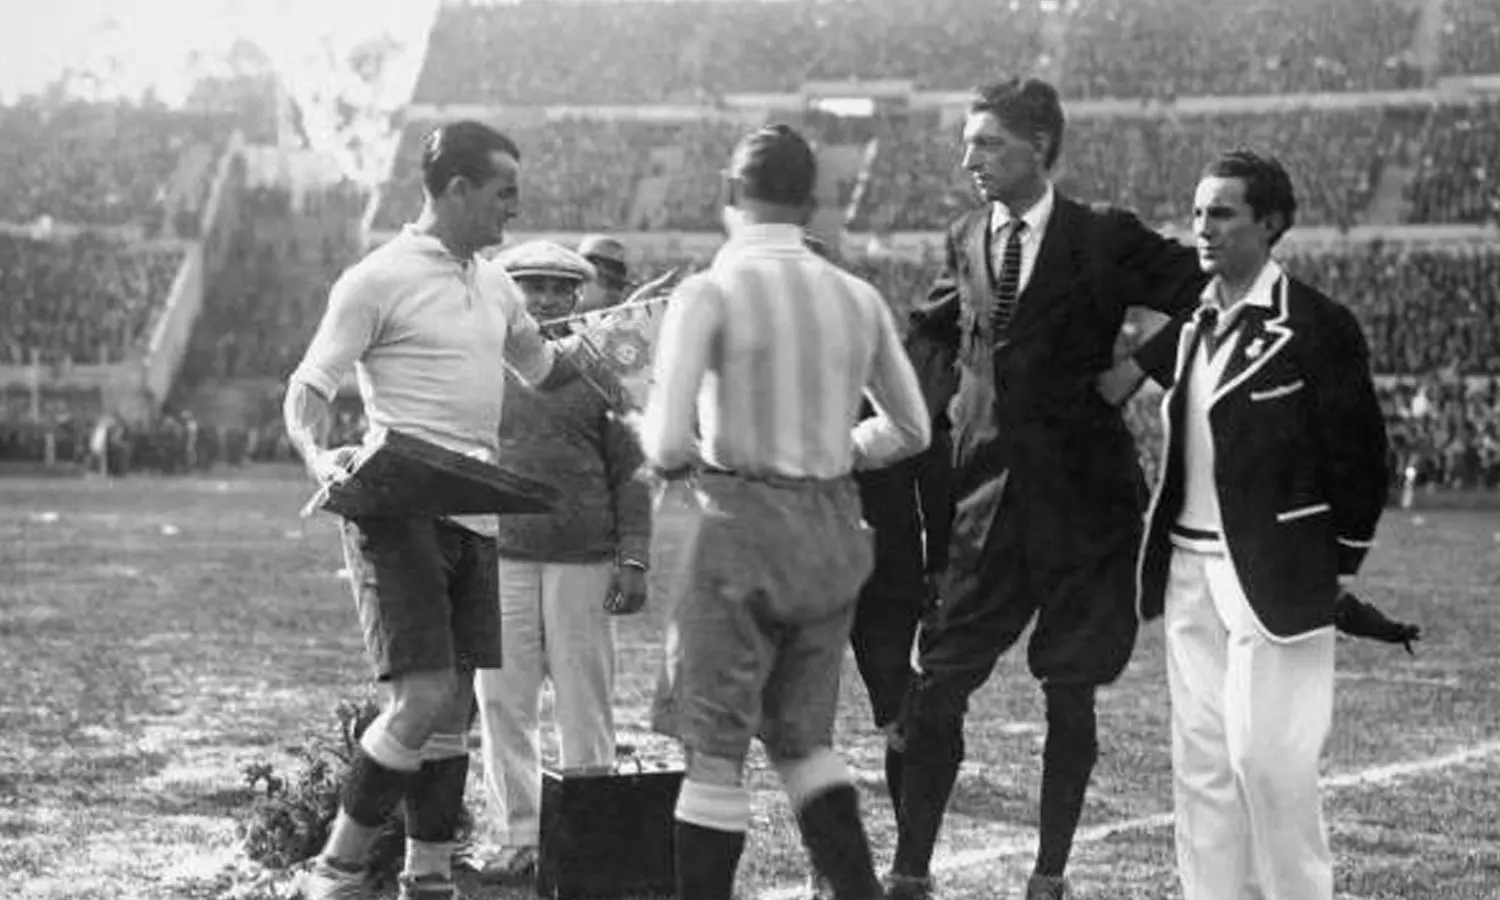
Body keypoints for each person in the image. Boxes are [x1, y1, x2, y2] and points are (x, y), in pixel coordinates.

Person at [892, 76, 1207, 900]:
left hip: (1084, 509)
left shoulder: (1103, 236)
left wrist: (1137, 369)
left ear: (1039, 146)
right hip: (981, 510)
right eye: (967, 144)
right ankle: (909, 874)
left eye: (988, 143)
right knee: (937, 687)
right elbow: (932, 331)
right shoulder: (965, 236)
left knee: (1069, 697)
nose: (969, 160)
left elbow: (1211, 288)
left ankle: (1049, 876)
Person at [285, 120, 592, 900]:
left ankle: (427, 878)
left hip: (476, 513)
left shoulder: (495, 284)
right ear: (457, 189)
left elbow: (546, 369)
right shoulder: (375, 279)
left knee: (453, 712)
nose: (514, 209)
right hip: (400, 509)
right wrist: (320, 457)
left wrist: (629, 338)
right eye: (503, 193)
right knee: (420, 699)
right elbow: (308, 388)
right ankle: (336, 870)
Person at [639, 123, 931, 900]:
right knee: (805, 745)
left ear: (728, 194)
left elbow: (667, 443)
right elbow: (912, 429)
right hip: (832, 526)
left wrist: (646, 428)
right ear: (811, 203)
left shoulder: (710, 291)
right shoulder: (857, 296)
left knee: (714, 750)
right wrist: (838, 448)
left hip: (740, 522)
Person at [1118, 150, 1389, 900]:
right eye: (1197, 213)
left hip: (1278, 573)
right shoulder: (1194, 323)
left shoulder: (1317, 324)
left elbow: (1362, 455)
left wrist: (1335, 565)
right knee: (1201, 768)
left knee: (1269, 765)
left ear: (1270, 223)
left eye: (1222, 212)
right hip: (1187, 569)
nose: (1202, 228)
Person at [466, 240, 651, 883]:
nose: (545, 299)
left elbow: (631, 471)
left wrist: (635, 557)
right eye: (532, 287)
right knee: (502, 701)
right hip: (502, 555)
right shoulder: (482, 361)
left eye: (557, 288)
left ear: (578, 295)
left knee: (584, 701)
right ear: (510, 293)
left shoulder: (602, 366)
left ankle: (589, 841)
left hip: (583, 557)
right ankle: (516, 837)